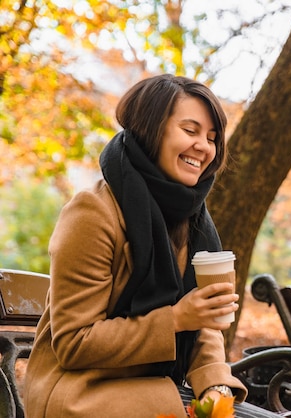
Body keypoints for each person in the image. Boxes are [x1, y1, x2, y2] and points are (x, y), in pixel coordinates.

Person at [23, 74, 247, 417]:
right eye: (190, 131)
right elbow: (73, 343)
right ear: (150, 129)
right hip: (84, 393)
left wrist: (215, 385)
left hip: (153, 389)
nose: (204, 146)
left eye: (212, 138)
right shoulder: (92, 214)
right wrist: (174, 319)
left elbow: (202, 322)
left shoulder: (191, 218)